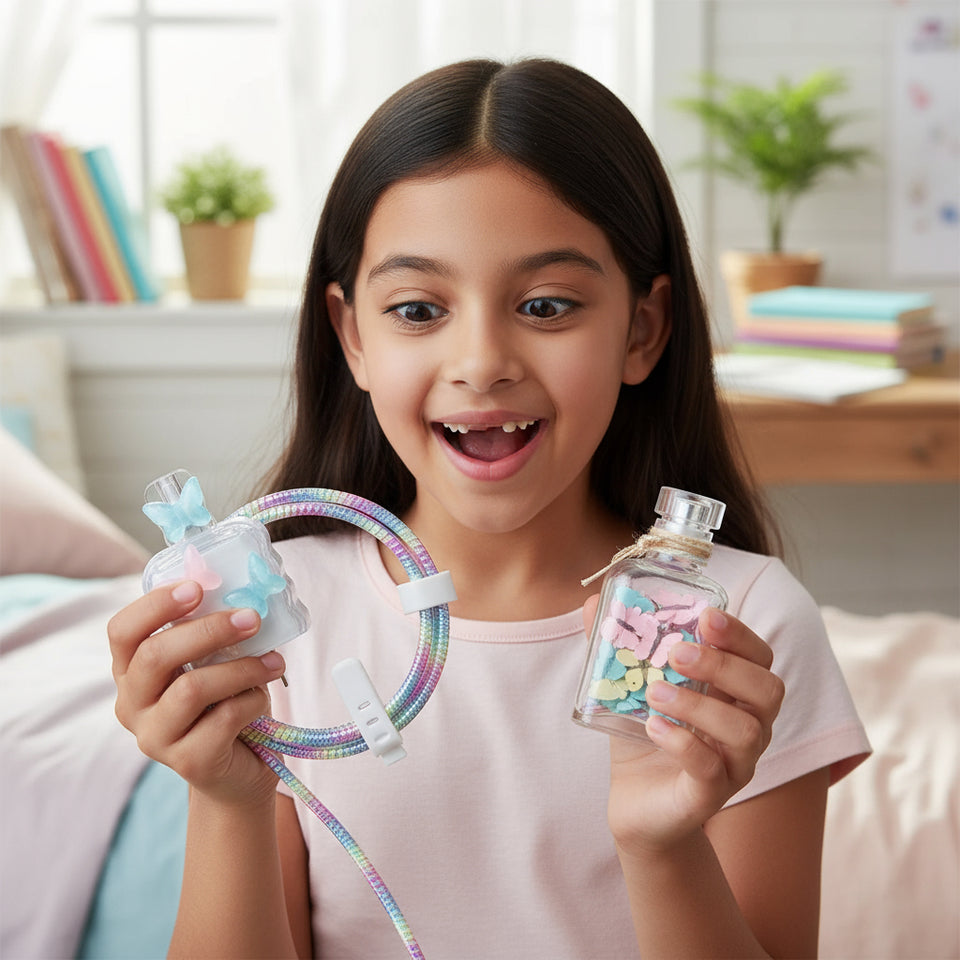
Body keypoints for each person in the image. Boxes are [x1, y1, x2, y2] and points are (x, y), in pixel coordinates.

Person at [109, 58, 870, 959]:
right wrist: (227, 797)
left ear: (642, 330)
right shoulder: (274, 618)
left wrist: (660, 846)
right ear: (352, 335)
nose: (482, 360)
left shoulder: (737, 623)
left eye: (545, 305)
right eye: (419, 308)